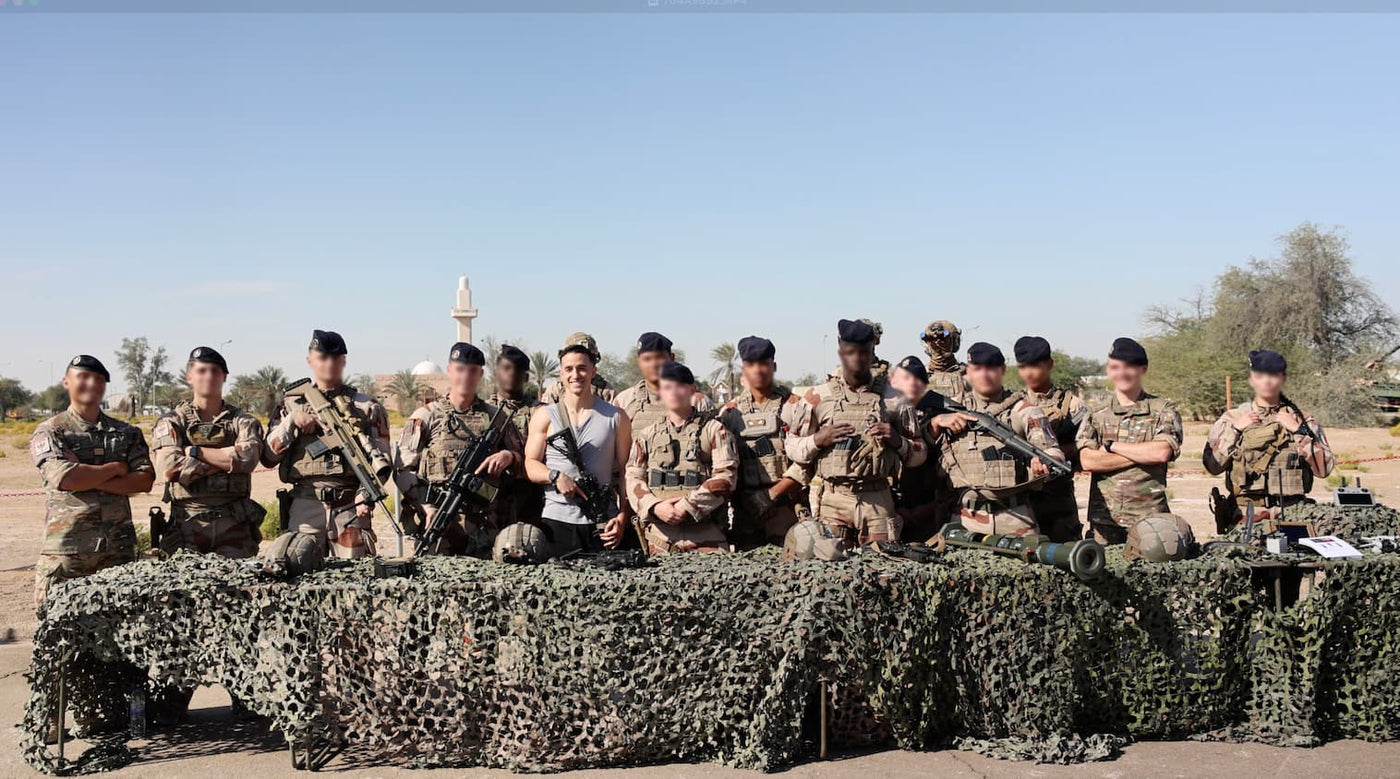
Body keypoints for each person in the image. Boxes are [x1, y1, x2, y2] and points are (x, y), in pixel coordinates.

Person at [786, 319, 926, 545]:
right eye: (850, 352)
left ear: (872, 352)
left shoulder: (895, 398)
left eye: (864, 352)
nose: (857, 359)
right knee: (830, 563)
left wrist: (897, 441)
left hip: (878, 499)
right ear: (841, 350)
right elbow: (792, 447)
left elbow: (920, 453)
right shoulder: (818, 396)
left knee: (883, 563)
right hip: (833, 500)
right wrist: (818, 440)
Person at [30, 355, 155, 606]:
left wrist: (88, 476)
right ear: (67, 382)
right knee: (59, 625)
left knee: (121, 624)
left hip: (118, 552)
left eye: (98, 379)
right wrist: (115, 468)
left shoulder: (126, 433)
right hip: (67, 552)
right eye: (83, 377)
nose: (91, 384)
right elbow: (65, 478)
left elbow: (144, 480)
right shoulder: (51, 431)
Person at [262, 330, 390, 558]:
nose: (329, 363)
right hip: (305, 505)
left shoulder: (366, 407)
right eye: (322, 357)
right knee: (299, 568)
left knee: (355, 575)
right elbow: (268, 457)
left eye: (336, 358)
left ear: (343, 361)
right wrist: (292, 422)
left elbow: (382, 460)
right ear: (309, 360)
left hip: (350, 506)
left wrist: (366, 495)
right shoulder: (290, 405)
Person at [395, 343, 525, 556]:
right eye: (460, 369)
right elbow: (403, 469)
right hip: (439, 524)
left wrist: (508, 456)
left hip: (486, 528)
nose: (466, 376)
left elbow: (524, 460)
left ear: (480, 374)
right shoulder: (427, 416)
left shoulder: (497, 417)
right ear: (449, 371)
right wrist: (426, 505)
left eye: (472, 371)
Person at [929, 343, 1066, 537]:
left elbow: (1051, 450)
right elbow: (920, 452)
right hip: (963, 519)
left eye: (991, 368)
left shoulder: (1024, 410)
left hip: (1016, 520)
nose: (984, 375)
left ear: (1002, 370)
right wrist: (935, 423)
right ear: (968, 372)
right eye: (978, 369)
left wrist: (1047, 463)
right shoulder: (950, 409)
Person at [524, 333, 633, 557]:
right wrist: (555, 476)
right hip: (557, 521)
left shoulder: (616, 416)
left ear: (593, 371)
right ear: (561, 374)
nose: (576, 375)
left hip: (603, 523)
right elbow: (530, 464)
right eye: (569, 369)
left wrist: (623, 516)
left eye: (582, 368)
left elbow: (626, 472)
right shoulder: (544, 416)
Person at [151, 346, 266, 558]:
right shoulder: (172, 421)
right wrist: (227, 460)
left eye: (215, 371)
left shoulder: (243, 421)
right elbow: (170, 468)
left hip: (235, 528)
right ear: (189, 377)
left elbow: (247, 459)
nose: (209, 376)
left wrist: (194, 452)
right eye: (202, 370)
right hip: (186, 527)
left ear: (224, 377)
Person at [1203, 349, 1335, 529]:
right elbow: (1213, 466)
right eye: (1260, 376)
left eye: (1273, 375)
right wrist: (1235, 430)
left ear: (1283, 379)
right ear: (1251, 379)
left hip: (1293, 514)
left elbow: (1324, 470)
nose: (1266, 381)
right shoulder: (1232, 418)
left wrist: (1298, 432)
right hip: (1246, 516)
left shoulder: (1302, 420)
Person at [1076, 338, 1183, 545]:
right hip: (1105, 523)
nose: (1122, 373)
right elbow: (1088, 461)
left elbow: (1161, 453)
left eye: (1129, 367)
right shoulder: (1096, 413)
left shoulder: (1163, 410)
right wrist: (1142, 455)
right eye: (1115, 367)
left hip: (1151, 520)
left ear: (1143, 369)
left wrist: (1111, 446)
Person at [625, 361, 737, 554]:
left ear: (692, 390)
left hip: (707, 539)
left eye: (680, 386)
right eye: (667, 387)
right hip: (660, 540)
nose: (674, 392)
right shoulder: (647, 435)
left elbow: (726, 477)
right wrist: (655, 506)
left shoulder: (714, 430)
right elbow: (633, 477)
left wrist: (687, 506)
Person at [715, 336, 815, 548]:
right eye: (751, 364)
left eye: (763, 363)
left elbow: (808, 461)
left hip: (788, 511)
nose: (758, 370)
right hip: (746, 513)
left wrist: (771, 495)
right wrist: (749, 501)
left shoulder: (795, 407)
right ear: (744, 370)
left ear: (773, 366)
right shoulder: (730, 413)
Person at [1013, 336, 1087, 542]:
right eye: (1023, 367)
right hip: (1022, 499)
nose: (1029, 373)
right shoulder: (1013, 404)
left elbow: (1085, 447)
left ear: (1050, 364)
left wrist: (1056, 453)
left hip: (1058, 498)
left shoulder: (1073, 405)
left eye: (1035, 366)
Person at [486, 344, 544, 527]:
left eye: (518, 370)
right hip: (492, 503)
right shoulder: (483, 412)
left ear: (526, 377)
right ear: (496, 374)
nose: (511, 373)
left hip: (532, 500)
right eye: (506, 368)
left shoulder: (541, 412)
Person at [888, 355, 942, 542]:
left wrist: (931, 508)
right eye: (906, 377)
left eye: (918, 378)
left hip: (929, 510)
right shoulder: (883, 415)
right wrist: (895, 507)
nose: (912, 383)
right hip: (889, 508)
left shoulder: (939, 417)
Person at [613, 331, 713, 432]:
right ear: (639, 362)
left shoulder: (696, 400)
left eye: (659, 358)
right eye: (647, 359)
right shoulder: (625, 400)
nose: (653, 364)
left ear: (672, 358)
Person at [920, 319, 970, 400]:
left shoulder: (968, 374)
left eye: (942, 339)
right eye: (931, 339)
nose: (937, 343)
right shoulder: (921, 375)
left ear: (954, 342)